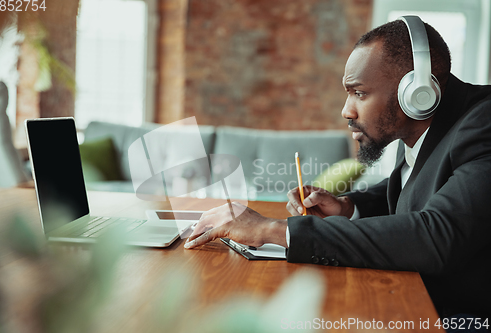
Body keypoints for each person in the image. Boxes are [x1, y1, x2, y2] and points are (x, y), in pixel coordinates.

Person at [184, 18, 491, 324]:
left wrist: (272, 230)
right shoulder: (425, 128)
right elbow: (413, 190)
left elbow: (437, 235)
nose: (346, 110)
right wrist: (349, 207)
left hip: (463, 316)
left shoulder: (483, 122)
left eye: (359, 93)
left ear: (416, 93)